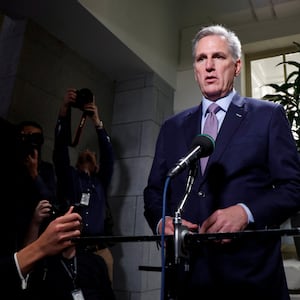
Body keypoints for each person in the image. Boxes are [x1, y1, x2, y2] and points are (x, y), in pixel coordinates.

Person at [143, 24, 300, 300]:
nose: (209, 66)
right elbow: (155, 191)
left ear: (237, 66)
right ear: (195, 69)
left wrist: (246, 212)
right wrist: (161, 222)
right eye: (201, 59)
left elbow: (293, 187)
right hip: (188, 279)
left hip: (251, 279)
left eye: (218, 57)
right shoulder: (172, 127)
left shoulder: (268, 116)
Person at [0, 117, 82, 299]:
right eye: (26, 137)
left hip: (40, 239)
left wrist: (35, 174)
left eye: (36, 138)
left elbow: (52, 202)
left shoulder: (45, 169)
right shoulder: (9, 166)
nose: (30, 142)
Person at [52, 88, 115, 299]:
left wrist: (97, 121)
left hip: (99, 250)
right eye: (84, 153)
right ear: (78, 161)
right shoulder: (70, 178)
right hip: (72, 250)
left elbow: (109, 156)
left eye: (93, 155)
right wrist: (64, 110)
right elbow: (60, 151)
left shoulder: (100, 182)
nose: (88, 153)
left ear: (96, 164)